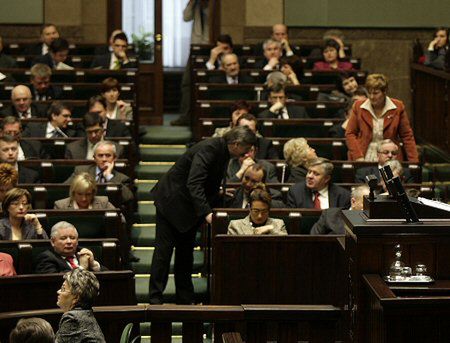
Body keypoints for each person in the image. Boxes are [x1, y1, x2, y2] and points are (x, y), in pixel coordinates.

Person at [149, 126, 257, 304]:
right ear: (237, 144)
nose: (247, 153)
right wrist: (206, 212)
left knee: (186, 254)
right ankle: (155, 299)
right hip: (172, 203)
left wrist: (217, 194)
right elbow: (194, 182)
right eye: (247, 149)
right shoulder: (210, 148)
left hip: (189, 208)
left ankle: (184, 299)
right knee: (163, 253)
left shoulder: (222, 151)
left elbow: (207, 181)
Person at [345, 73, 419, 162]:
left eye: (376, 93)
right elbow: (350, 134)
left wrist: (414, 162)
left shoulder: (397, 107)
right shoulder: (358, 106)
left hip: (389, 157)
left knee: (387, 175)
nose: (371, 97)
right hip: (364, 157)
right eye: (369, 93)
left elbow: (407, 136)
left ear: (384, 92)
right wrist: (358, 156)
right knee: (368, 176)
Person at [65, 140, 134, 205]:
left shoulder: (122, 178)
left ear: (114, 158)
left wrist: (109, 177)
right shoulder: (80, 171)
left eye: (108, 155)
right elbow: (63, 190)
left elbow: (128, 198)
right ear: (94, 158)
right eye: (100, 156)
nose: (104, 159)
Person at [55, 268, 106, 342]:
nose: (58, 291)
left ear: (76, 297)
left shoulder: (72, 318)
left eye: (63, 289)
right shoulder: (85, 313)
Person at [34, 221, 105, 273]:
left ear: (77, 241)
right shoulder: (45, 258)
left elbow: (109, 277)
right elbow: (56, 283)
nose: (69, 241)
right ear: (53, 241)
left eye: (72, 238)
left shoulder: (84, 252)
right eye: (63, 238)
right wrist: (82, 268)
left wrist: (94, 265)